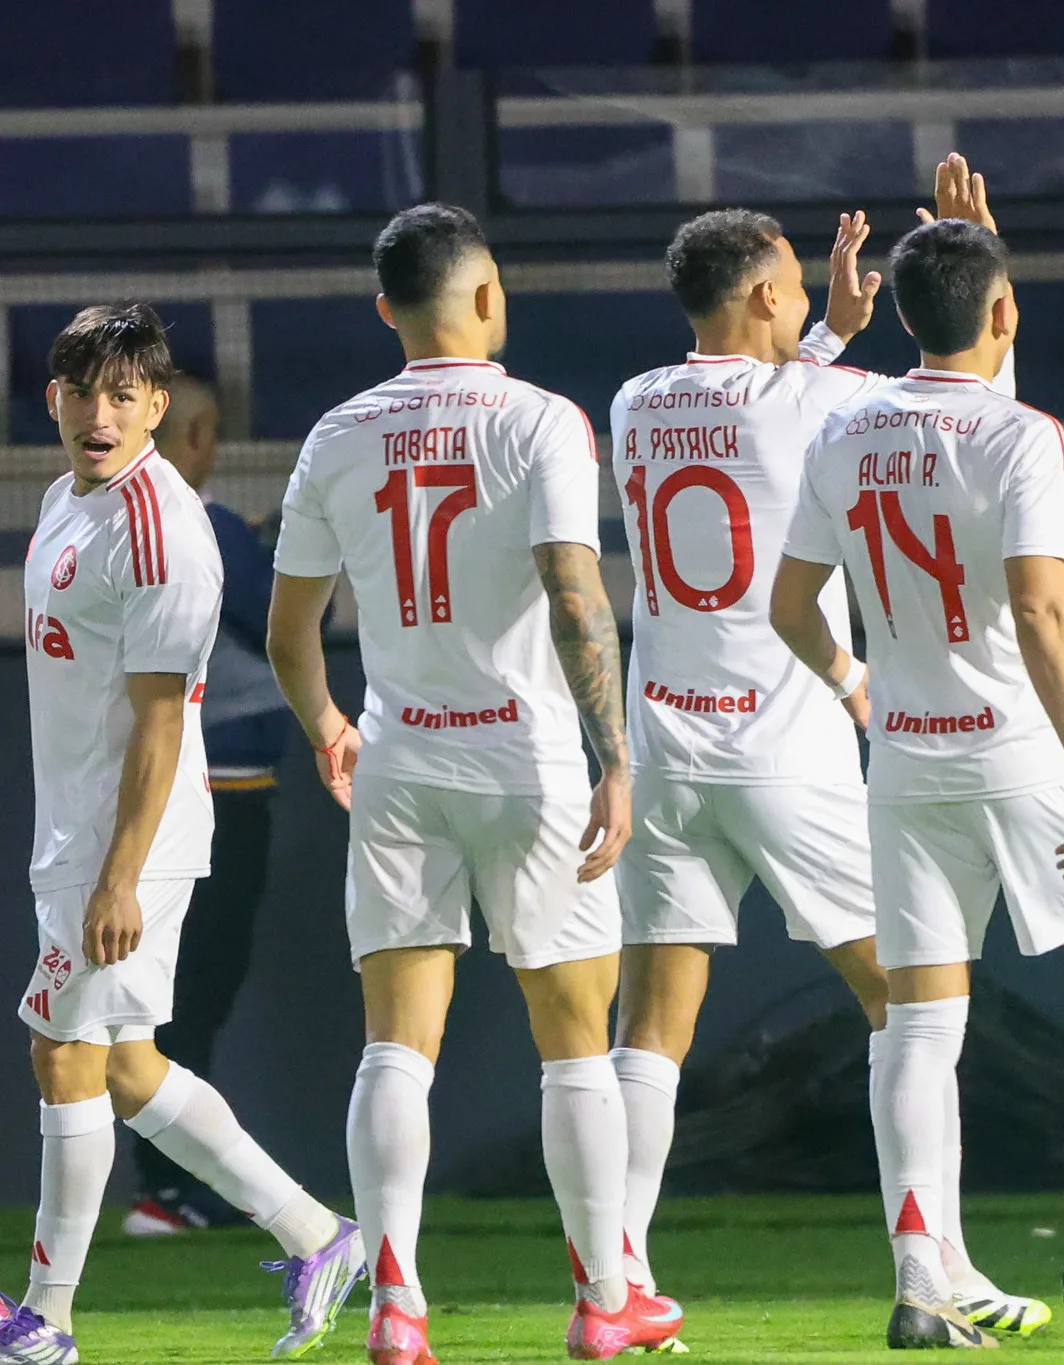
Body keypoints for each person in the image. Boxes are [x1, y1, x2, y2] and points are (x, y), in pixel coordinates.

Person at [606, 158, 1046, 1337]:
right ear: (761, 295)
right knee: (912, 1005)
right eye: (797, 283)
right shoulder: (821, 401)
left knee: (651, 1025)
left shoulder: (636, 402)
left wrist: (823, 337)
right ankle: (935, 1268)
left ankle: (617, 1284)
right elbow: (962, 405)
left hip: (663, 747)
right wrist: (974, 268)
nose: (812, 295)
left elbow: (752, 406)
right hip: (784, 743)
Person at [265, 204, 682, 1363]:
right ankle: (605, 1300)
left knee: (395, 1048)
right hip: (527, 761)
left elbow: (291, 632)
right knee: (575, 1042)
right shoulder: (541, 420)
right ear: (488, 297)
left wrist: (328, 727)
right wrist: (615, 758)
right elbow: (575, 598)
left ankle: (396, 1307)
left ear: (385, 309)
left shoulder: (336, 435)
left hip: (400, 759)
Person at [772, 218, 1064, 1350]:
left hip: (906, 758)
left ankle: (919, 1278)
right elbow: (1040, 608)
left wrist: (856, 686)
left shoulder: (843, 431)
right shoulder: (1024, 434)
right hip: (1017, 751)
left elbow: (789, 606)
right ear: (1003, 313)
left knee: (916, 1022)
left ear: (904, 314)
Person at [4, 304, 364, 1365]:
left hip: (131, 839)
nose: (100, 414)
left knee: (62, 1051)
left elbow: (164, 720)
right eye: (82, 393)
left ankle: (47, 1320)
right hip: (78, 828)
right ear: (53, 401)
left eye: (123, 395)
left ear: (158, 405)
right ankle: (317, 1234)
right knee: (125, 1064)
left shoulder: (161, 529)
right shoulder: (66, 500)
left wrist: (119, 877)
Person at [124, 372, 302, 1238]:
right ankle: (170, 1188)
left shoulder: (112, 522)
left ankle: (167, 1184)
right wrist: (277, 549)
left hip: (139, 791)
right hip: (215, 793)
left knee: (158, 995)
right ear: (194, 438)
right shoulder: (204, 524)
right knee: (192, 993)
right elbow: (284, 619)